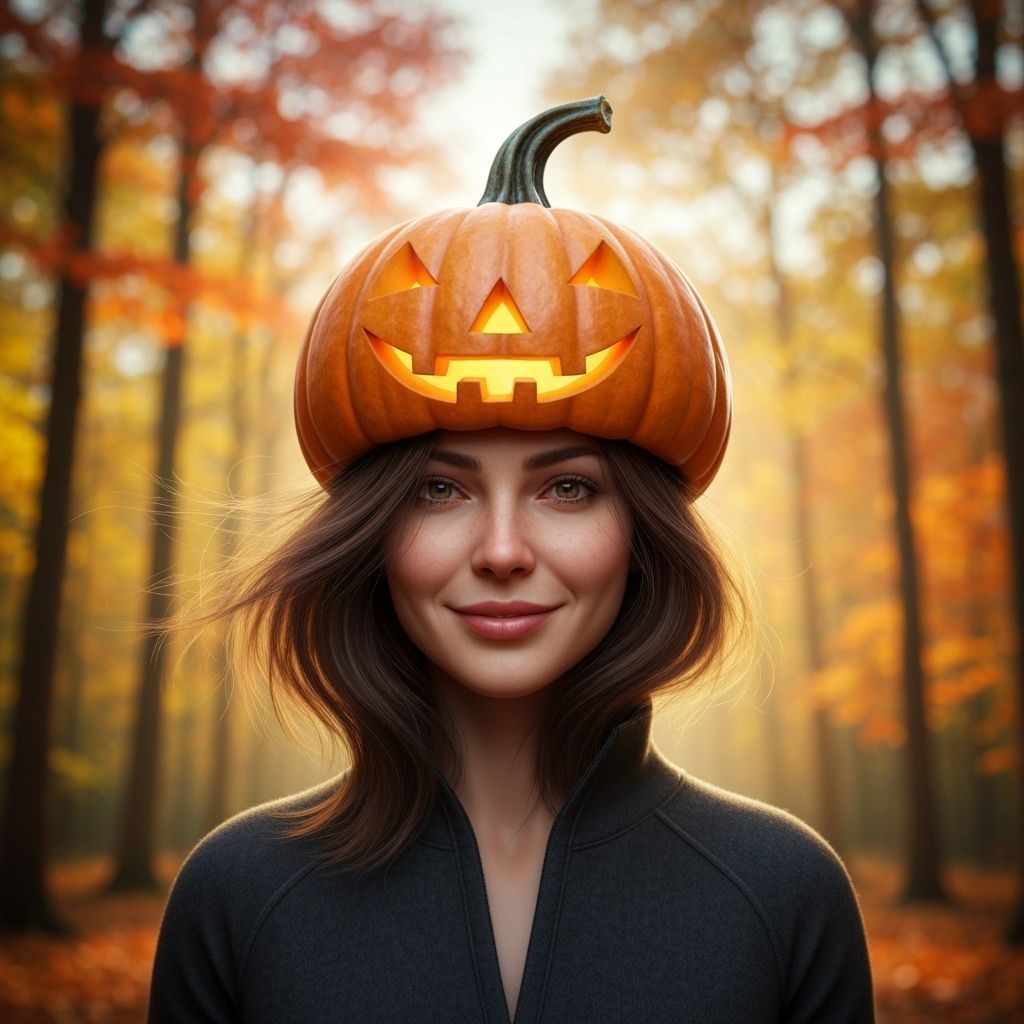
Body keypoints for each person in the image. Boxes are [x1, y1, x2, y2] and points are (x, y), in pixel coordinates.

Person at [147, 97, 876, 1023]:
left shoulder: (783, 894)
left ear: (643, 533)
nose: (500, 552)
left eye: (566, 488)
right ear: (370, 532)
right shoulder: (238, 895)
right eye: (438, 490)